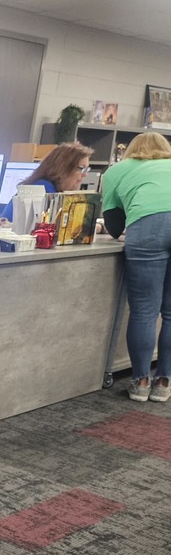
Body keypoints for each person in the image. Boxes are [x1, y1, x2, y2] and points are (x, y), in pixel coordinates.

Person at [101, 131, 171, 402]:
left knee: (143, 310)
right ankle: (164, 383)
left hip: (148, 228)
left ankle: (141, 382)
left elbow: (115, 227)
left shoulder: (117, 170)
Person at [0, 141, 94, 221]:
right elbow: (63, 224)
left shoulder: (47, 186)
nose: (85, 174)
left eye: (86, 170)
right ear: (62, 168)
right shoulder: (43, 189)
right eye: (81, 169)